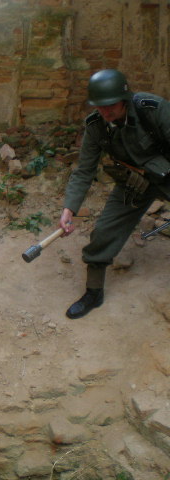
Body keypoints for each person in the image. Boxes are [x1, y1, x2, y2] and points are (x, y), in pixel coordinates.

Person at [59, 68, 170, 319]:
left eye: (111, 105)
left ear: (124, 99)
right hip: (135, 182)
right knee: (103, 232)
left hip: (167, 173)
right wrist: (69, 209)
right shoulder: (96, 125)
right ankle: (93, 292)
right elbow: (84, 171)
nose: (105, 112)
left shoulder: (151, 109)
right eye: (100, 106)